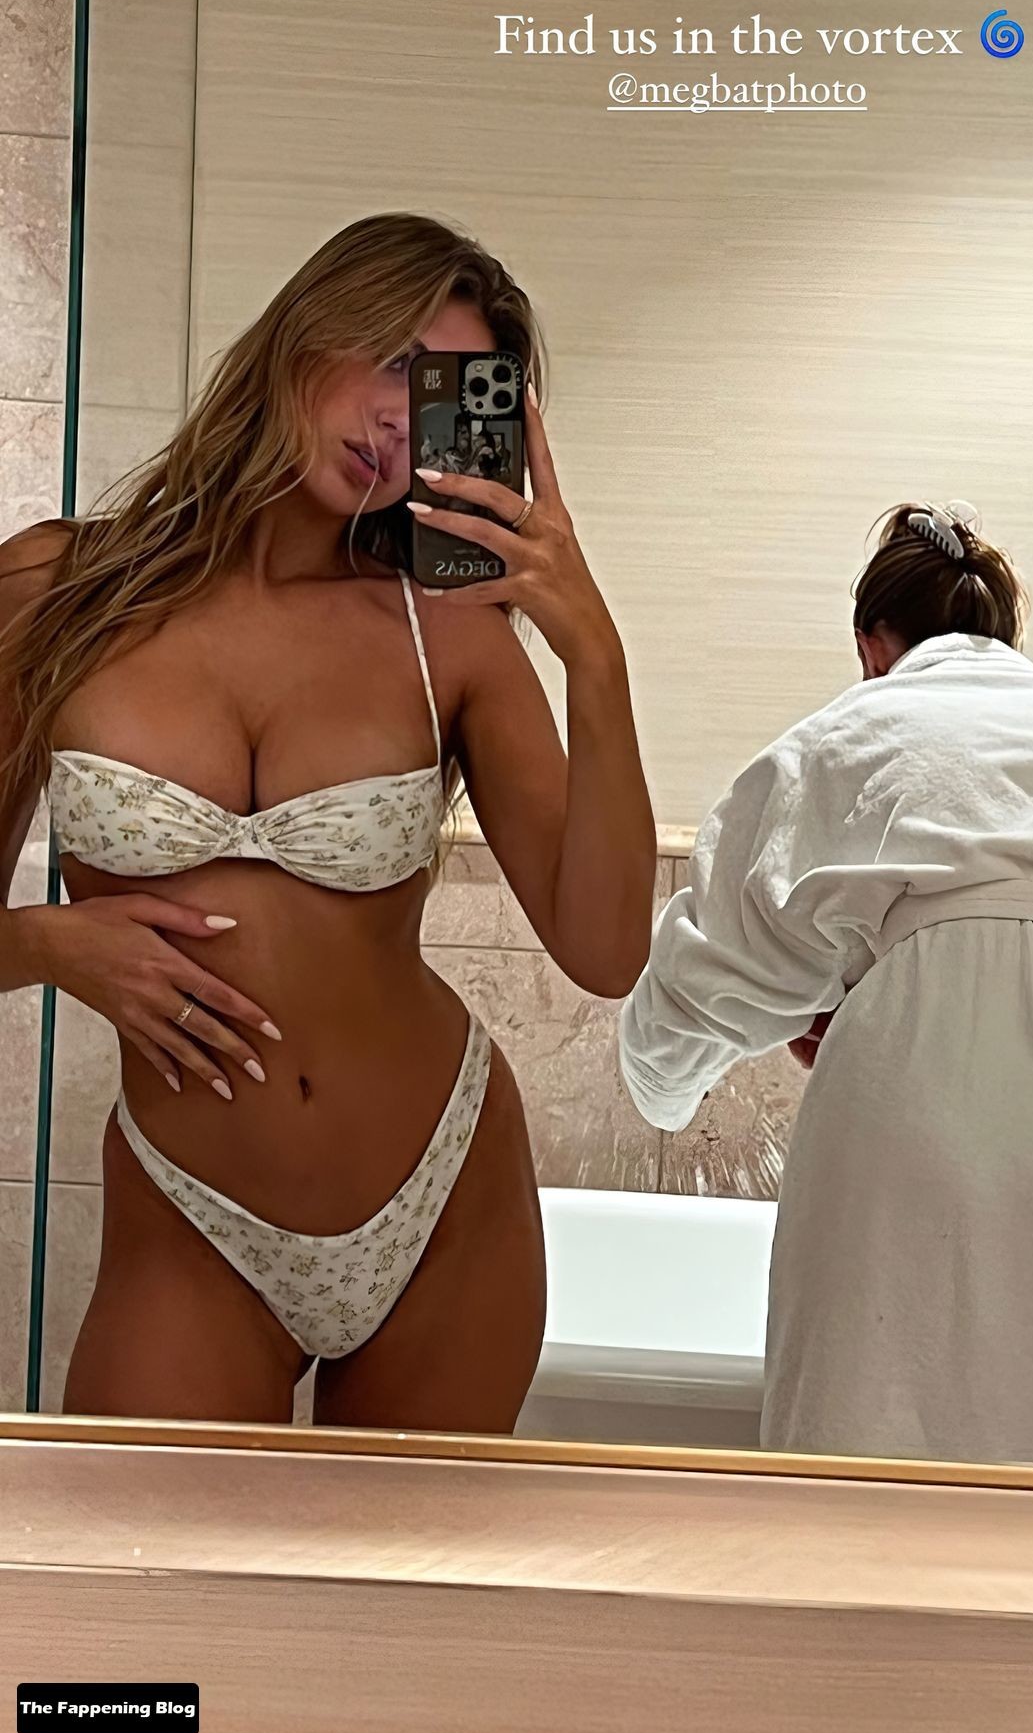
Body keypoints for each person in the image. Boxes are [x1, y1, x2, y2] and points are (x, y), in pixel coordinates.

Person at [0, 212, 656, 1430]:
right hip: (190, 1214)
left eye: (443, 397)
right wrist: (48, 945)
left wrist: (594, 655)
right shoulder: (54, 589)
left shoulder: (448, 631)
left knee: (406, 1569)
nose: (402, 424)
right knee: (150, 1557)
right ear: (309, 329)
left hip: (444, 1200)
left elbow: (607, 950)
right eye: (396, 363)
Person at [619, 502, 1033, 1467]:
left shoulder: (848, 736)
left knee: (876, 1464)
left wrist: (665, 1083)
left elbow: (695, 998)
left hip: (917, 1115)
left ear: (872, 646)